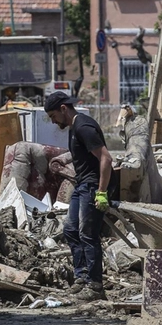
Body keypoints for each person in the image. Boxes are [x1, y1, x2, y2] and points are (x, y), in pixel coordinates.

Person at [44, 91, 112, 299]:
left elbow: (106, 159)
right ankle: (82, 277)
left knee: (88, 234)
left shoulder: (83, 127)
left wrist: (101, 192)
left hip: (92, 187)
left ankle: (95, 286)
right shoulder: (74, 128)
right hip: (81, 185)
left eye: (54, 116)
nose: (54, 122)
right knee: (71, 230)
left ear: (63, 108)